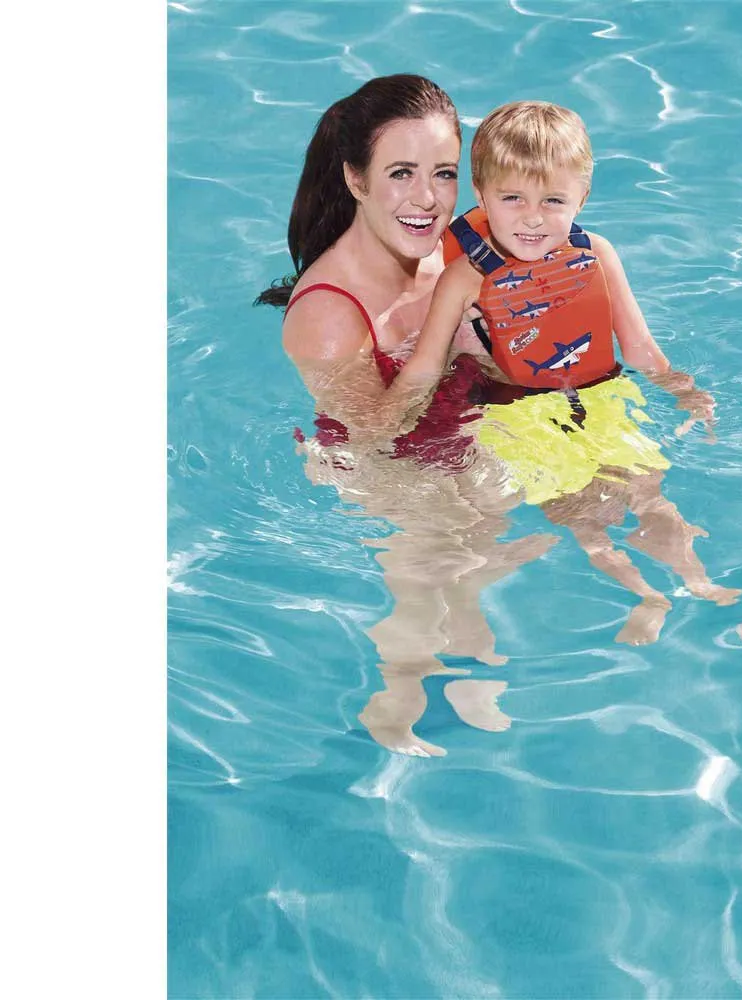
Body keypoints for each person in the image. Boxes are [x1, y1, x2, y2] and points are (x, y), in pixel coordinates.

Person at [255, 76, 555, 756]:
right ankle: (391, 709)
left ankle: (471, 673)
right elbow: (374, 435)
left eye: (443, 174)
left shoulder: (443, 254)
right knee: (429, 570)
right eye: (401, 174)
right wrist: (445, 329)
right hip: (372, 456)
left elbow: (488, 360)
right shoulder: (327, 314)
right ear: (355, 179)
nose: (427, 199)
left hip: (450, 423)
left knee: (483, 545)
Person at [412, 101, 742, 644]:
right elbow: (427, 366)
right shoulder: (464, 279)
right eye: (513, 198)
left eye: (553, 200)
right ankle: (647, 595)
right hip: (517, 411)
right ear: (482, 195)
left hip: (602, 395)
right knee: (580, 513)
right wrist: (389, 419)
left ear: (582, 197)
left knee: (648, 491)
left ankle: (699, 581)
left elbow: (639, 346)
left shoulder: (597, 253)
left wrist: (683, 389)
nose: (533, 217)